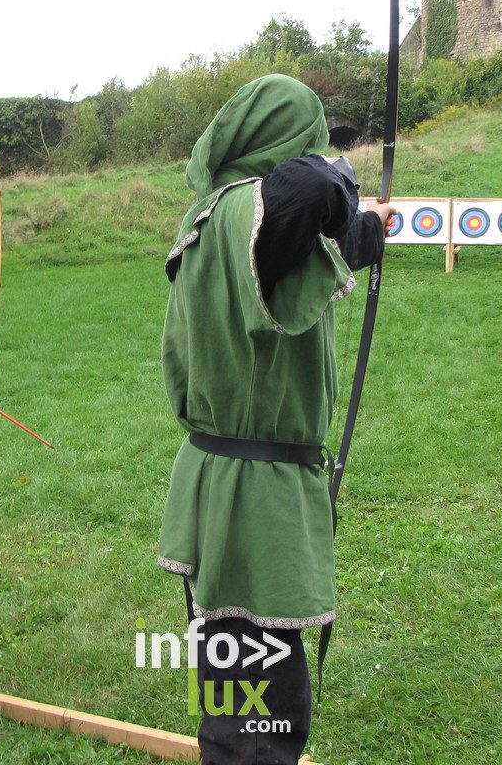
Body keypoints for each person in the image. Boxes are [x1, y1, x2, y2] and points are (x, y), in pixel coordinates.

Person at [158, 74, 395, 764]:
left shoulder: (217, 219)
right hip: (249, 500)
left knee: (240, 696)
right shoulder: (244, 210)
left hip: (225, 483)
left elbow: (290, 261)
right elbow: (309, 194)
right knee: (257, 719)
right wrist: (343, 180)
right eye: (310, 138)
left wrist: (363, 235)